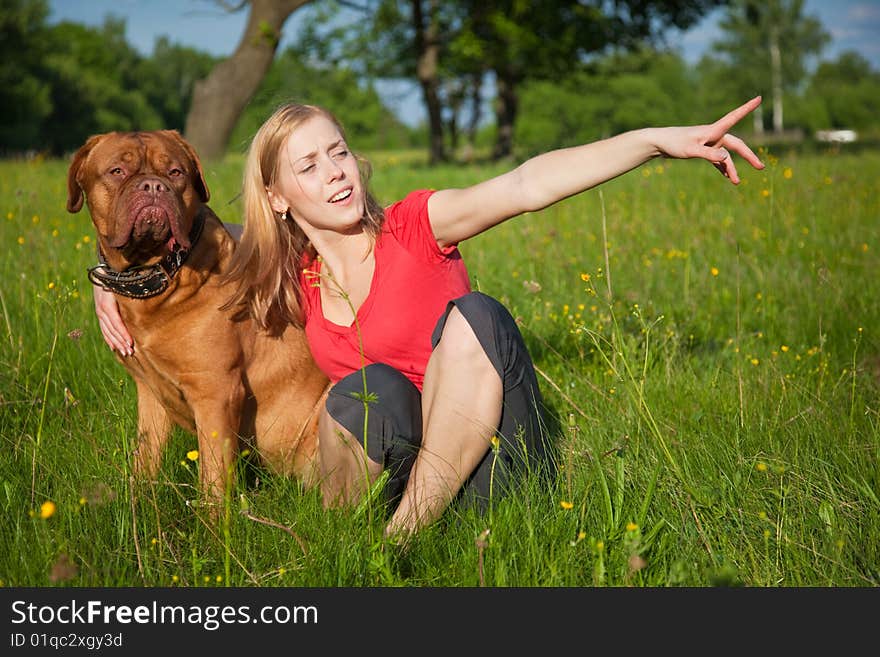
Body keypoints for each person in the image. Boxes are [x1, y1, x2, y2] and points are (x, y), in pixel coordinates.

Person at [93, 96, 765, 539]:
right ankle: (348, 540)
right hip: (401, 470)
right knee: (370, 388)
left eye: (339, 152)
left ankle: (395, 544)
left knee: (477, 314)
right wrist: (110, 283)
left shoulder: (416, 224)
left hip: (488, 473)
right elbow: (183, 241)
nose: (336, 172)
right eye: (308, 164)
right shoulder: (289, 277)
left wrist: (651, 140)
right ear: (278, 196)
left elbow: (528, 184)